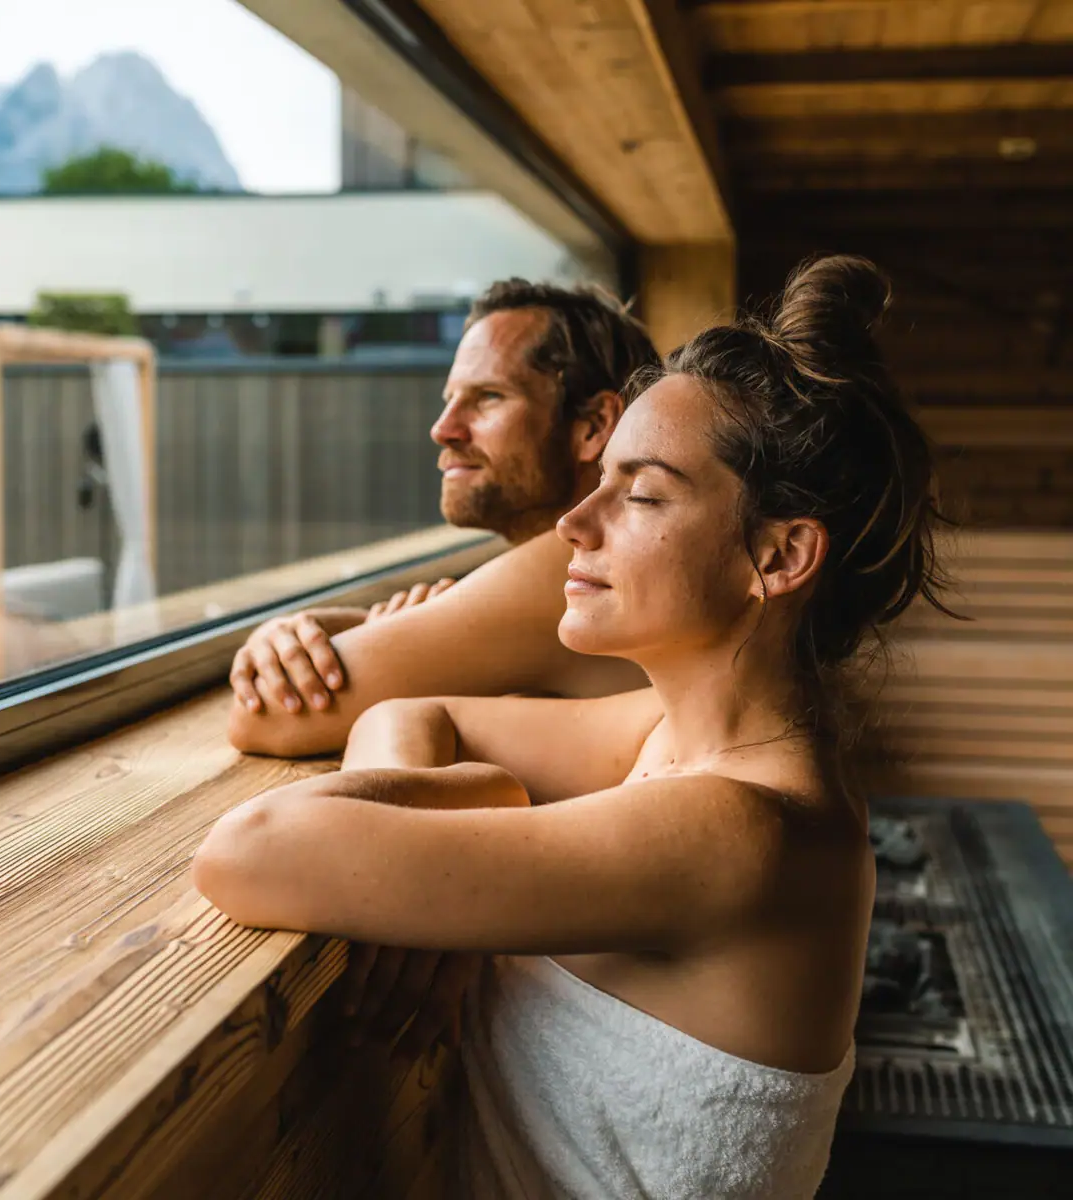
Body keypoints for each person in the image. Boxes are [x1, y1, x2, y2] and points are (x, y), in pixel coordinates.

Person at [194, 255, 952, 1198]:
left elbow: (250, 848)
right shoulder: (669, 740)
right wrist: (467, 804)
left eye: (639, 492)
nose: (578, 521)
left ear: (780, 552)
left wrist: (455, 821)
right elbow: (406, 712)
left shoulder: (743, 832)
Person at [226, 279, 661, 758]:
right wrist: (299, 628)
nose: (443, 429)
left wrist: (299, 637)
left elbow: (265, 717)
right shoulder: (603, 562)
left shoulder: (575, 565)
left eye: (488, 397)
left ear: (594, 426)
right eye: (449, 399)